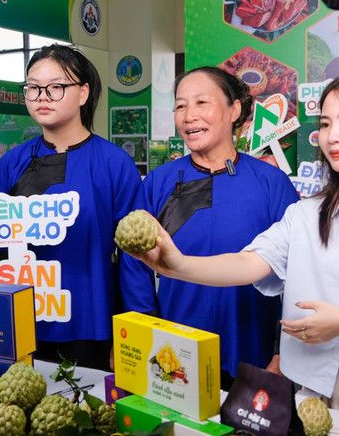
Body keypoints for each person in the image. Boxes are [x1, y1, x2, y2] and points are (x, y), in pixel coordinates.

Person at [123, 69, 339, 435]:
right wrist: (177, 264)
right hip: (314, 401)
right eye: (325, 124)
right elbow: (249, 262)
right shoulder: (306, 215)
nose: (333, 136)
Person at [120, 66, 299, 390]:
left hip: (254, 352)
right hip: (175, 353)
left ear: (235, 110)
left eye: (202, 102)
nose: (189, 116)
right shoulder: (160, 182)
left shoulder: (271, 182)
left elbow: (297, 273)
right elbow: (135, 264)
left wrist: (282, 351)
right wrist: (142, 332)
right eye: (180, 105)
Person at [0, 44, 141, 371]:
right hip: (23, 323)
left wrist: (133, 334)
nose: (42, 96)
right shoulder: (12, 163)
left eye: (56, 87)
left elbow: (134, 258)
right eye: (33, 87)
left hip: (91, 324)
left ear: (83, 93)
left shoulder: (115, 164)